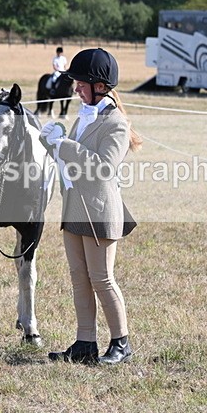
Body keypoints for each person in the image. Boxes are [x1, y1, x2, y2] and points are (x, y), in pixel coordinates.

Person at [40, 48, 142, 365]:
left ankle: (121, 343)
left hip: (99, 209)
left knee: (101, 278)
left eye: (81, 83)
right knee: (79, 277)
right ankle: (85, 343)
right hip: (74, 207)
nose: (76, 88)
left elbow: (103, 167)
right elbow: (68, 160)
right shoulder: (85, 116)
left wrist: (65, 145)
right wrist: (51, 141)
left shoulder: (116, 123)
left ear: (100, 86)